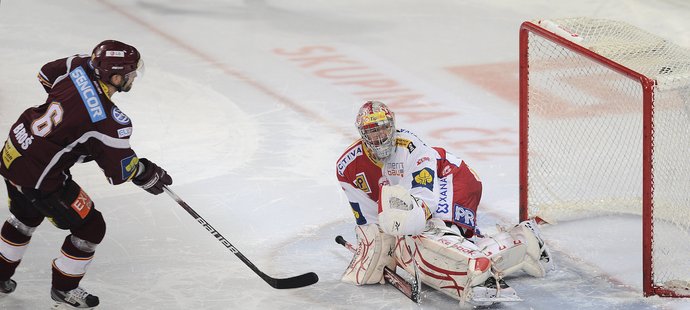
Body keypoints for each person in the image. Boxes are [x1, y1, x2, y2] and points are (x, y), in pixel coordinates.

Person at [0, 40, 172, 309]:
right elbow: (120, 171)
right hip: (41, 177)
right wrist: (147, 173)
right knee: (91, 228)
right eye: (130, 73)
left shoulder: (80, 65)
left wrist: (66, 112)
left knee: (24, 217)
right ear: (115, 77)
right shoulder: (109, 121)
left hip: (16, 148)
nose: (134, 77)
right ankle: (64, 289)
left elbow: (46, 73)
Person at [336, 100, 554, 306]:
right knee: (413, 250)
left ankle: (483, 271)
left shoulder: (411, 148)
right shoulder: (348, 167)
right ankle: (522, 240)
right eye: (373, 131)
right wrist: (378, 246)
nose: (380, 136)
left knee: (431, 234)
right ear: (362, 134)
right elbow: (368, 218)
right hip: (428, 193)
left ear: (392, 125)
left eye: (383, 128)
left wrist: (400, 230)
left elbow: (425, 203)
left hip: (452, 177)